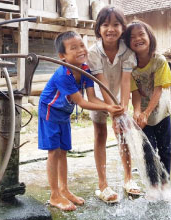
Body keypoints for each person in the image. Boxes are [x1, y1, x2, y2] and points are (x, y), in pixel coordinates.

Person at [38, 31, 124, 211]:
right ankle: (54, 195)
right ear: (62, 56)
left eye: (82, 45)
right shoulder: (64, 74)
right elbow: (82, 103)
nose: (80, 50)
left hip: (63, 114)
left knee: (64, 151)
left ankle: (64, 189)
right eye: (73, 48)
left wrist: (110, 106)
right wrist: (107, 108)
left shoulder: (85, 70)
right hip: (50, 112)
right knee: (54, 152)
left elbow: (92, 98)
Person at [87, 5, 140, 203]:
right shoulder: (93, 52)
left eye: (116, 24)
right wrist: (110, 109)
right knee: (100, 134)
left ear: (123, 28)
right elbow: (101, 81)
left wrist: (122, 109)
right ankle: (103, 185)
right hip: (99, 97)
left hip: (119, 96)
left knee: (123, 134)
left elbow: (126, 81)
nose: (111, 29)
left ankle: (128, 179)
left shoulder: (127, 51)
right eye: (106, 24)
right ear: (99, 28)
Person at [123, 20, 171, 187]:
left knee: (165, 149)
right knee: (148, 150)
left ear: (150, 37)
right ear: (128, 42)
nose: (138, 38)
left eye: (141, 34)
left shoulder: (159, 61)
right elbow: (135, 92)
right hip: (143, 116)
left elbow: (158, 90)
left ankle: (165, 183)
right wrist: (137, 111)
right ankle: (153, 185)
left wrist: (146, 112)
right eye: (132, 37)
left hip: (161, 112)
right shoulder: (130, 65)